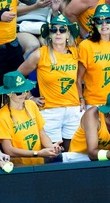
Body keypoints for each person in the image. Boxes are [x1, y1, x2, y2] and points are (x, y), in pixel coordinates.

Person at [18, 14, 81, 151]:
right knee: (52, 153)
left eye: (62, 30)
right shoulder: (40, 54)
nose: (58, 33)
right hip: (50, 110)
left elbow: (84, 77)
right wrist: (29, 97)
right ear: (49, 34)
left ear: (68, 33)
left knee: (73, 153)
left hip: (73, 109)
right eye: (54, 30)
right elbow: (18, 75)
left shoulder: (76, 53)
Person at [0, 71, 62, 165]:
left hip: (38, 163)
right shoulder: (2, 116)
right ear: (9, 94)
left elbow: (41, 133)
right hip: (18, 167)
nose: (24, 94)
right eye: (19, 92)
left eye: (26, 90)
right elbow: (9, 150)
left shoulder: (31, 105)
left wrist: (51, 148)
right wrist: (37, 153)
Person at [77, 4, 110, 108]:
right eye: (99, 21)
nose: (104, 24)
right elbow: (78, 79)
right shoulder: (85, 46)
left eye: (108, 20)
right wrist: (81, 99)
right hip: (95, 101)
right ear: (94, 23)